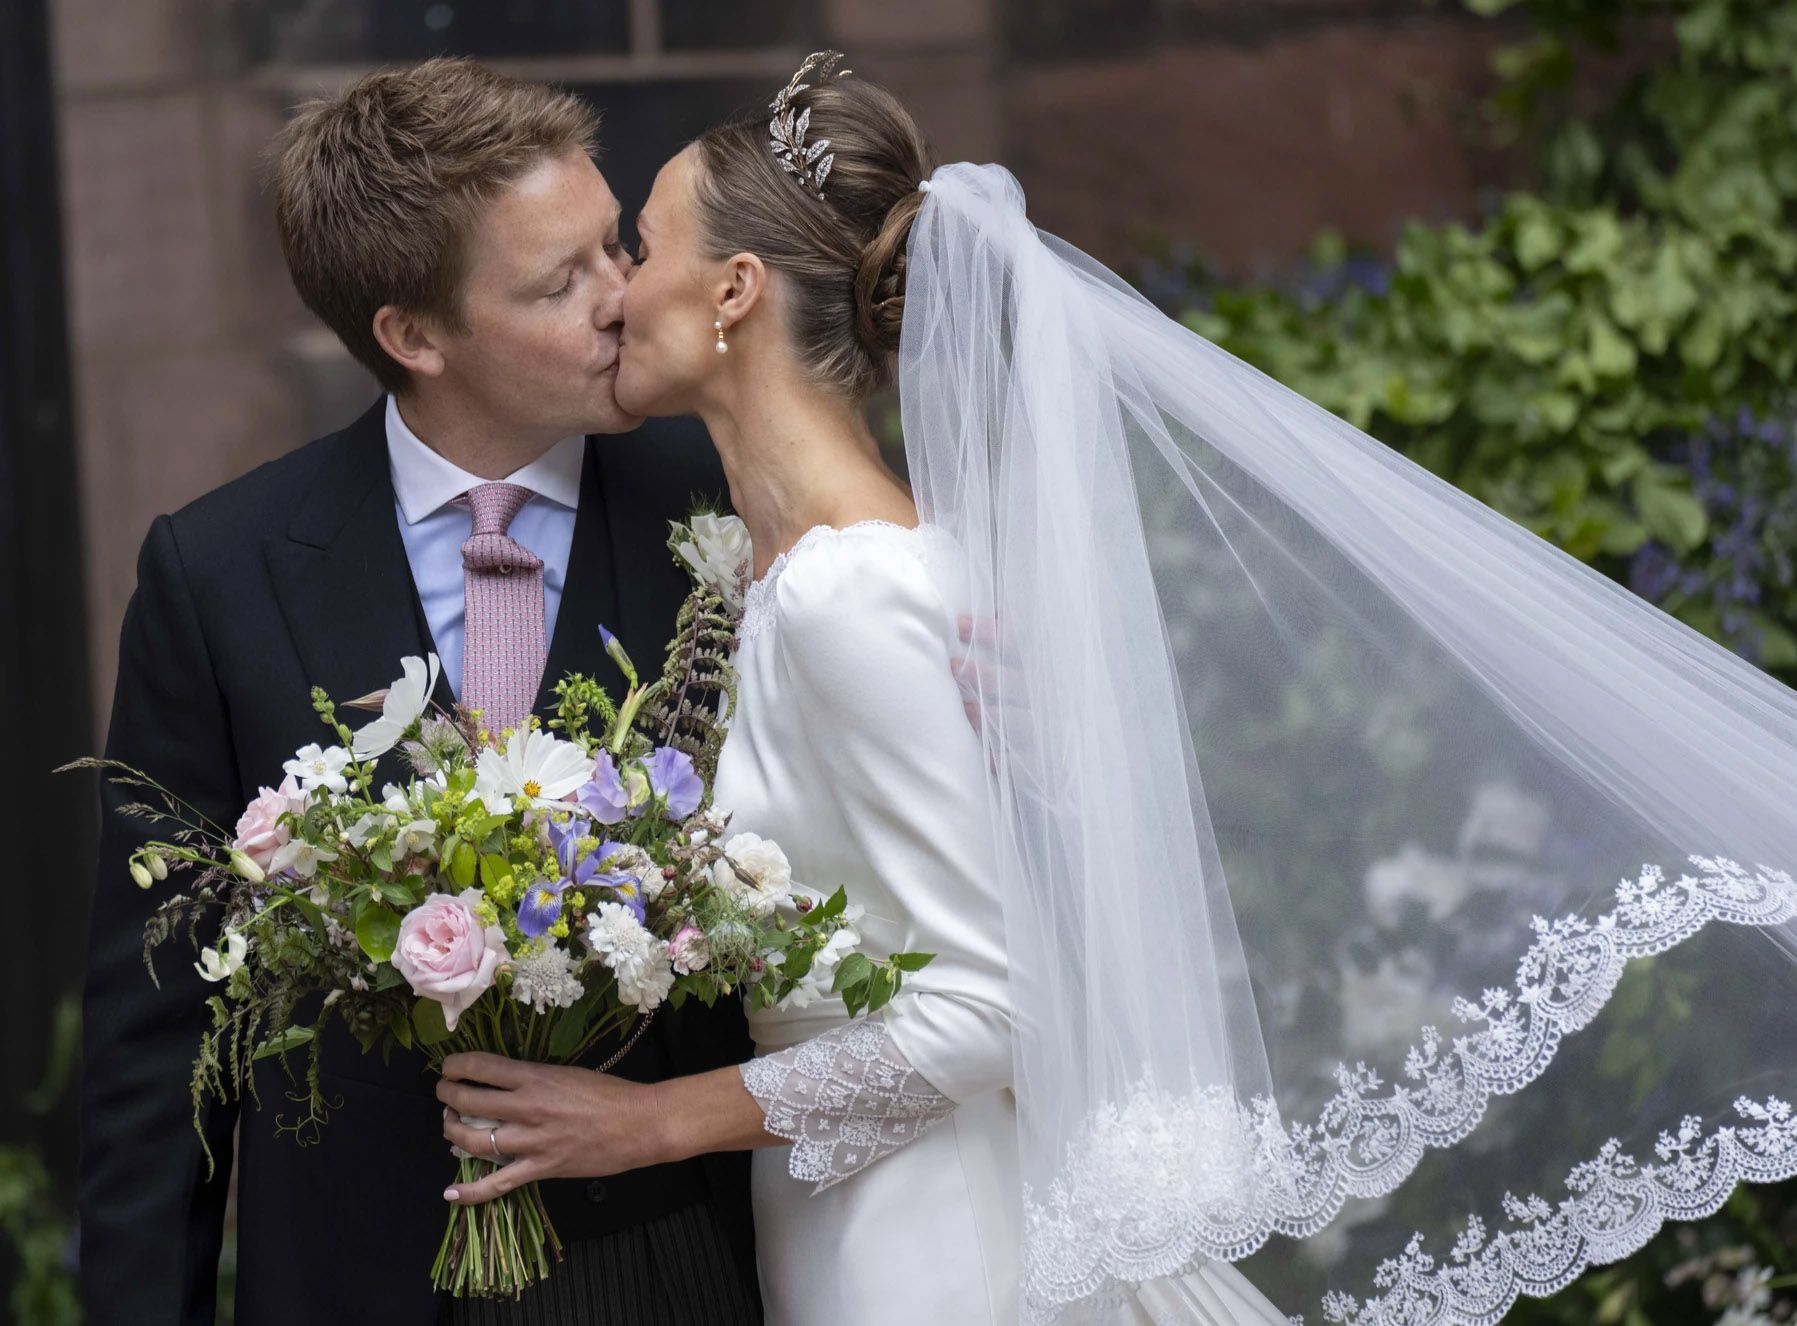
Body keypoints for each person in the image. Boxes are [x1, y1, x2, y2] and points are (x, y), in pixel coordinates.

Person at [438, 51, 1797, 1326]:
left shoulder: (862, 592)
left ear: (733, 292)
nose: (616, 288)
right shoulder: (782, 583)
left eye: (645, 247)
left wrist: (647, 1121)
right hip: (847, 1207)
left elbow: (992, 1003)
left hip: (933, 1234)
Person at [77, 57, 761, 1326]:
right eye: (562, 283)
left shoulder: (724, 502)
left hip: (680, 1266)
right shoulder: (219, 572)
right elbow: (156, 1033)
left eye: (614, 247)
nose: (624, 300)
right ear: (413, 334)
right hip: (355, 1278)